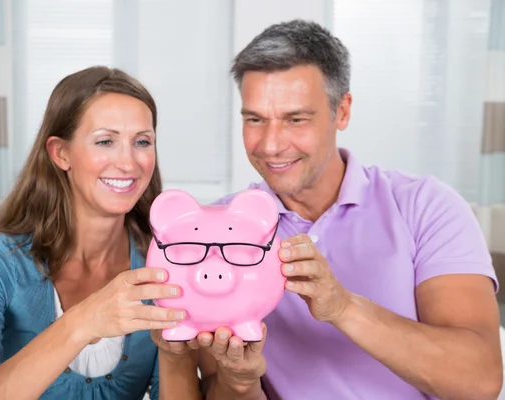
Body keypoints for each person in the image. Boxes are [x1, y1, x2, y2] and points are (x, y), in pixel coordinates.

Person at [154, 19, 503, 400]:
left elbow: (480, 380)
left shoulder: (426, 206)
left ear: (342, 111)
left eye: (295, 119)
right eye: (255, 119)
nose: (271, 145)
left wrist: (343, 307)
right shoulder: (210, 237)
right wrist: (240, 380)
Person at [0, 66, 194, 400]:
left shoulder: (170, 263)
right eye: (106, 141)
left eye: (142, 142)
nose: (130, 164)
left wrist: (178, 353)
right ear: (61, 153)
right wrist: (85, 321)